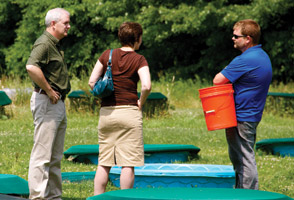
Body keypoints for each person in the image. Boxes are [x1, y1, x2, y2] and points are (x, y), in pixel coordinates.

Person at [88, 22, 151, 195]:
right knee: (128, 163)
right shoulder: (139, 59)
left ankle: (97, 198)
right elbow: (146, 85)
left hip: (107, 114)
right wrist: (141, 101)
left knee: (104, 162)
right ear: (137, 39)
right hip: (129, 112)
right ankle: (125, 198)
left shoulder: (107, 55)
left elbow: (91, 82)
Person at [213, 19, 272, 190]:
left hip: (241, 116)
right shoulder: (262, 55)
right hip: (251, 114)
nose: (233, 38)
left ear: (248, 39)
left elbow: (218, 80)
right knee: (240, 157)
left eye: (236, 36)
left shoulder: (245, 59)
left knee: (244, 159)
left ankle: (248, 195)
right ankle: (242, 191)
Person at [26, 8, 71, 199]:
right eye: (66, 23)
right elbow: (31, 66)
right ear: (53, 24)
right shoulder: (44, 43)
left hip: (56, 103)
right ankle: (38, 196)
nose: (69, 26)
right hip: (47, 101)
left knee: (55, 157)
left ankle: (53, 196)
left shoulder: (55, 43)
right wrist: (49, 90)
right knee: (42, 155)